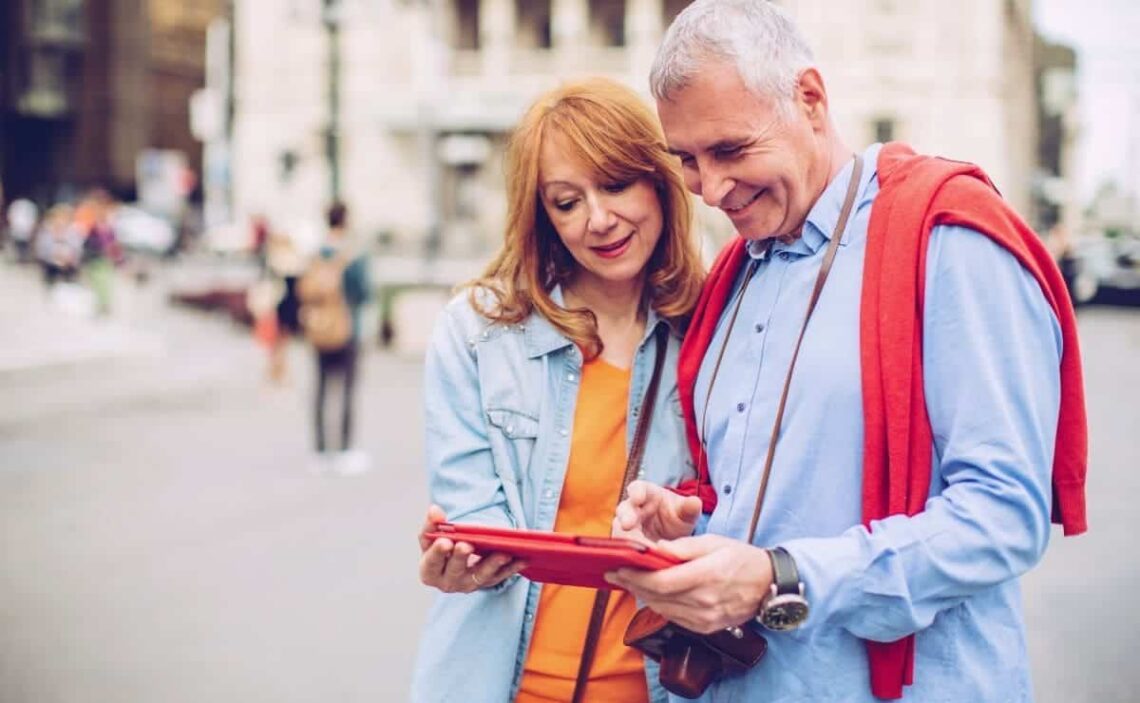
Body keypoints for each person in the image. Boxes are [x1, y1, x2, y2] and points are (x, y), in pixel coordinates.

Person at [606, 2, 1088, 701]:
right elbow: (781, 492)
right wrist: (687, 515)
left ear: (810, 99)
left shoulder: (947, 240)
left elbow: (1003, 516)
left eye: (731, 151)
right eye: (687, 161)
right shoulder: (738, 271)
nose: (710, 190)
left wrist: (782, 577)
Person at [412, 77, 706, 703]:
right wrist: (463, 560)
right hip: (504, 684)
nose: (598, 220)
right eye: (566, 202)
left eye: (617, 184)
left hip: (668, 685)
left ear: (661, 178)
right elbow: (472, 512)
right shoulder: (478, 332)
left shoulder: (716, 327)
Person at [301, 201, 372, 474]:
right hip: (347, 327)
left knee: (320, 388)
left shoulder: (317, 252)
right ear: (347, 220)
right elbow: (362, 292)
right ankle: (344, 449)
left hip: (319, 327)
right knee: (346, 388)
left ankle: (320, 449)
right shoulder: (352, 254)